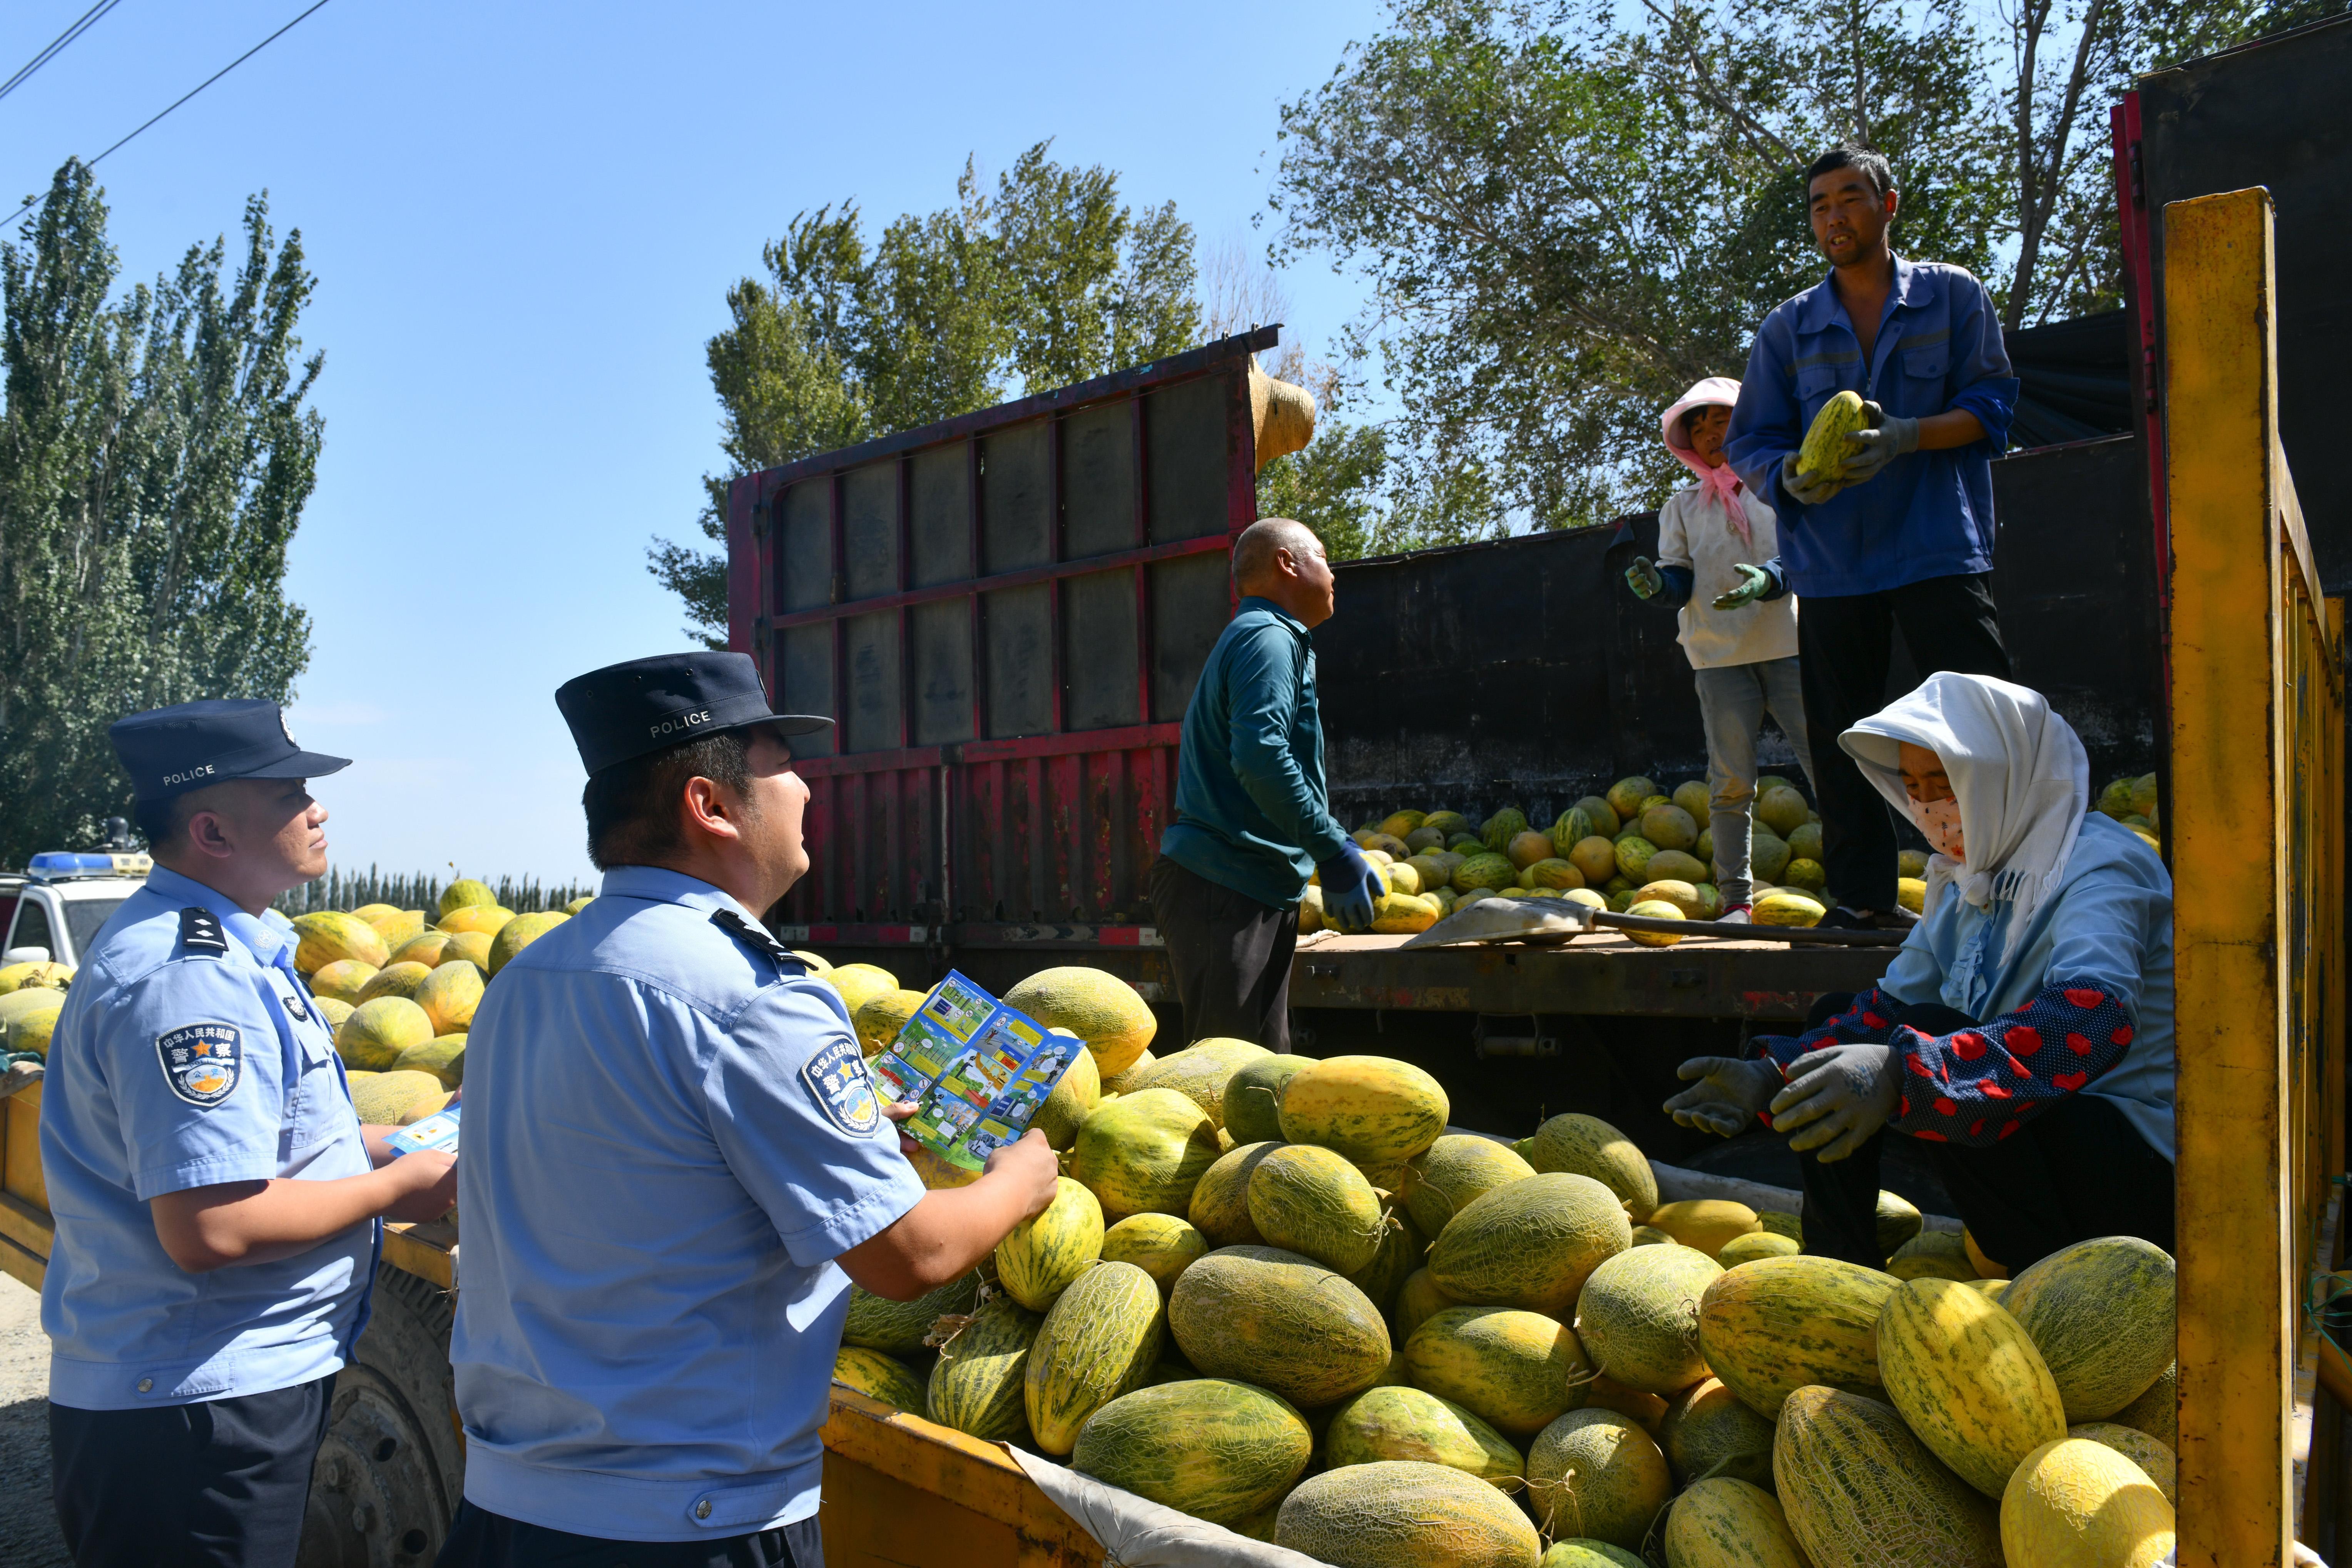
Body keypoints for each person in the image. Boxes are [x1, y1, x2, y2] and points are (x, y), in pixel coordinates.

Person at [441, 652, 1060, 1567]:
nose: (805, 790)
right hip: (683, 1530)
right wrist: (1019, 1181)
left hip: (506, 1508)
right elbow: (907, 1256)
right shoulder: (753, 994)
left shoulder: (526, 979)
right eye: (782, 765)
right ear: (711, 805)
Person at [40, 699, 460, 1568]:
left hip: (214, 1390)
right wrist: (396, 1190)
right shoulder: (186, 980)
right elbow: (213, 1225)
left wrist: (399, 1144)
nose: (318, 810)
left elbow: (266, 1143)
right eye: (289, 796)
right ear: (212, 831)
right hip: (192, 1409)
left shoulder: (233, 952)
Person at [1662, 673, 2175, 1274]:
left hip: (2134, 1178)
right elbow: (1888, 1006)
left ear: (2001, 773)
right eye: (1913, 787)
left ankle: (2042, 1276)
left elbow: (2094, 1019)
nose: (1928, 806)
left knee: (1930, 1029)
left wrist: (1904, 1071)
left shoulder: (2103, 867)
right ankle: (1840, 1266)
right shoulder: (1967, 876)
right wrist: (1774, 1072)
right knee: (1839, 1015)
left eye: (1945, 783)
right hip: (2036, 1152)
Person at [1721, 141, 2022, 930]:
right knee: (1842, 738)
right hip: (1831, 563)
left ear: (1887, 206)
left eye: (1850, 199)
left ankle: (2018, 877)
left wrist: (1906, 436)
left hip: (1936, 545)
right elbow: (1750, 441)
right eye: (1819, 206)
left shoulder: (1952, 295)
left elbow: (1992, 406)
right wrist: (1787, 476)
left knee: (1983, 719)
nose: (1834, 217)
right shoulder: (1788, 328)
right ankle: (1859, 903)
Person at [1149, 517, 1381, 1051]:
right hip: (1226, 887)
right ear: (1286, 563)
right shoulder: (1269, 638)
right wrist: (1331, 848)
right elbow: (1261, 757)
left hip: (1249, 886)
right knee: (1224, 1073)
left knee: (1264, 1070)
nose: (1333, 574)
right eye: (1323, 557)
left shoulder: (1268, 637)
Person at [1624, 376, 1816, 921]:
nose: (1710, 434)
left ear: (1748, 420)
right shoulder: (1682, 507)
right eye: (1698, 427)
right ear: (1686, 442)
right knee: (1731, 784)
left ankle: (1862, 889)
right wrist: (1657, 587)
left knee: (1830, 768)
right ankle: (1736, 900)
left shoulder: (1779, 484)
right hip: (1718, 659)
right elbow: (1679, 579)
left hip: (1789, 646)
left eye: (1721, 420)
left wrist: (1769, 579)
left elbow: (1803, 556)